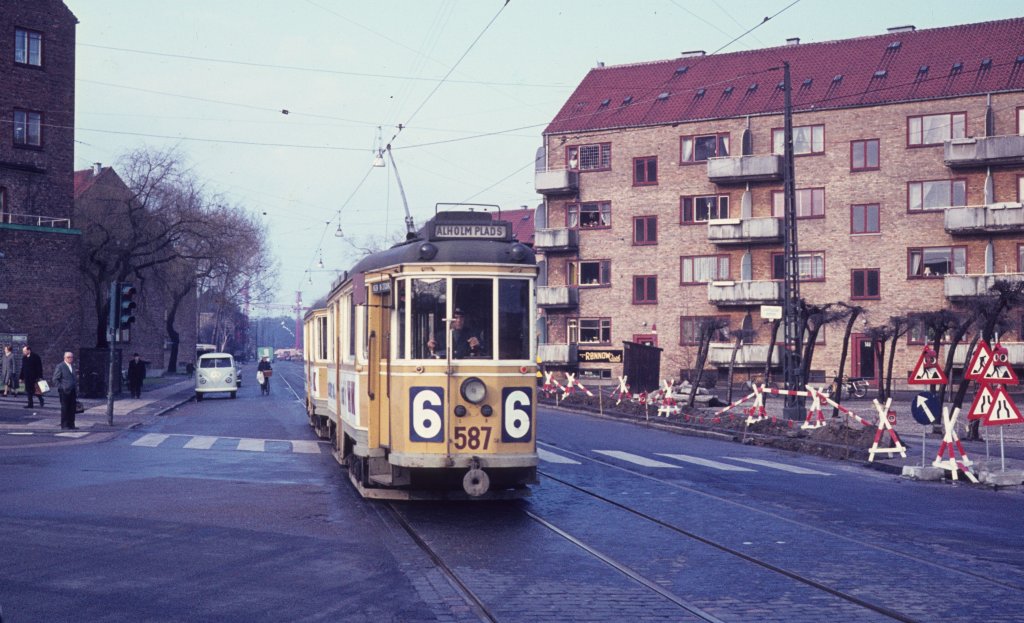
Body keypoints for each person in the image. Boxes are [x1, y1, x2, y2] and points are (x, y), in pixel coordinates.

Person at [52, 351, 78, 429]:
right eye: (68, 357)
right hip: (64, 391)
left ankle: (71, 424)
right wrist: (61, 387)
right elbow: (55, 379)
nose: (70, 359)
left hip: (72, 390)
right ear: (64, 358)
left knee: (72, 408)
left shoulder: (72, 366)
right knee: (65, 408)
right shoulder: (60, 366)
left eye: (71, 357)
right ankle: (65, 425)